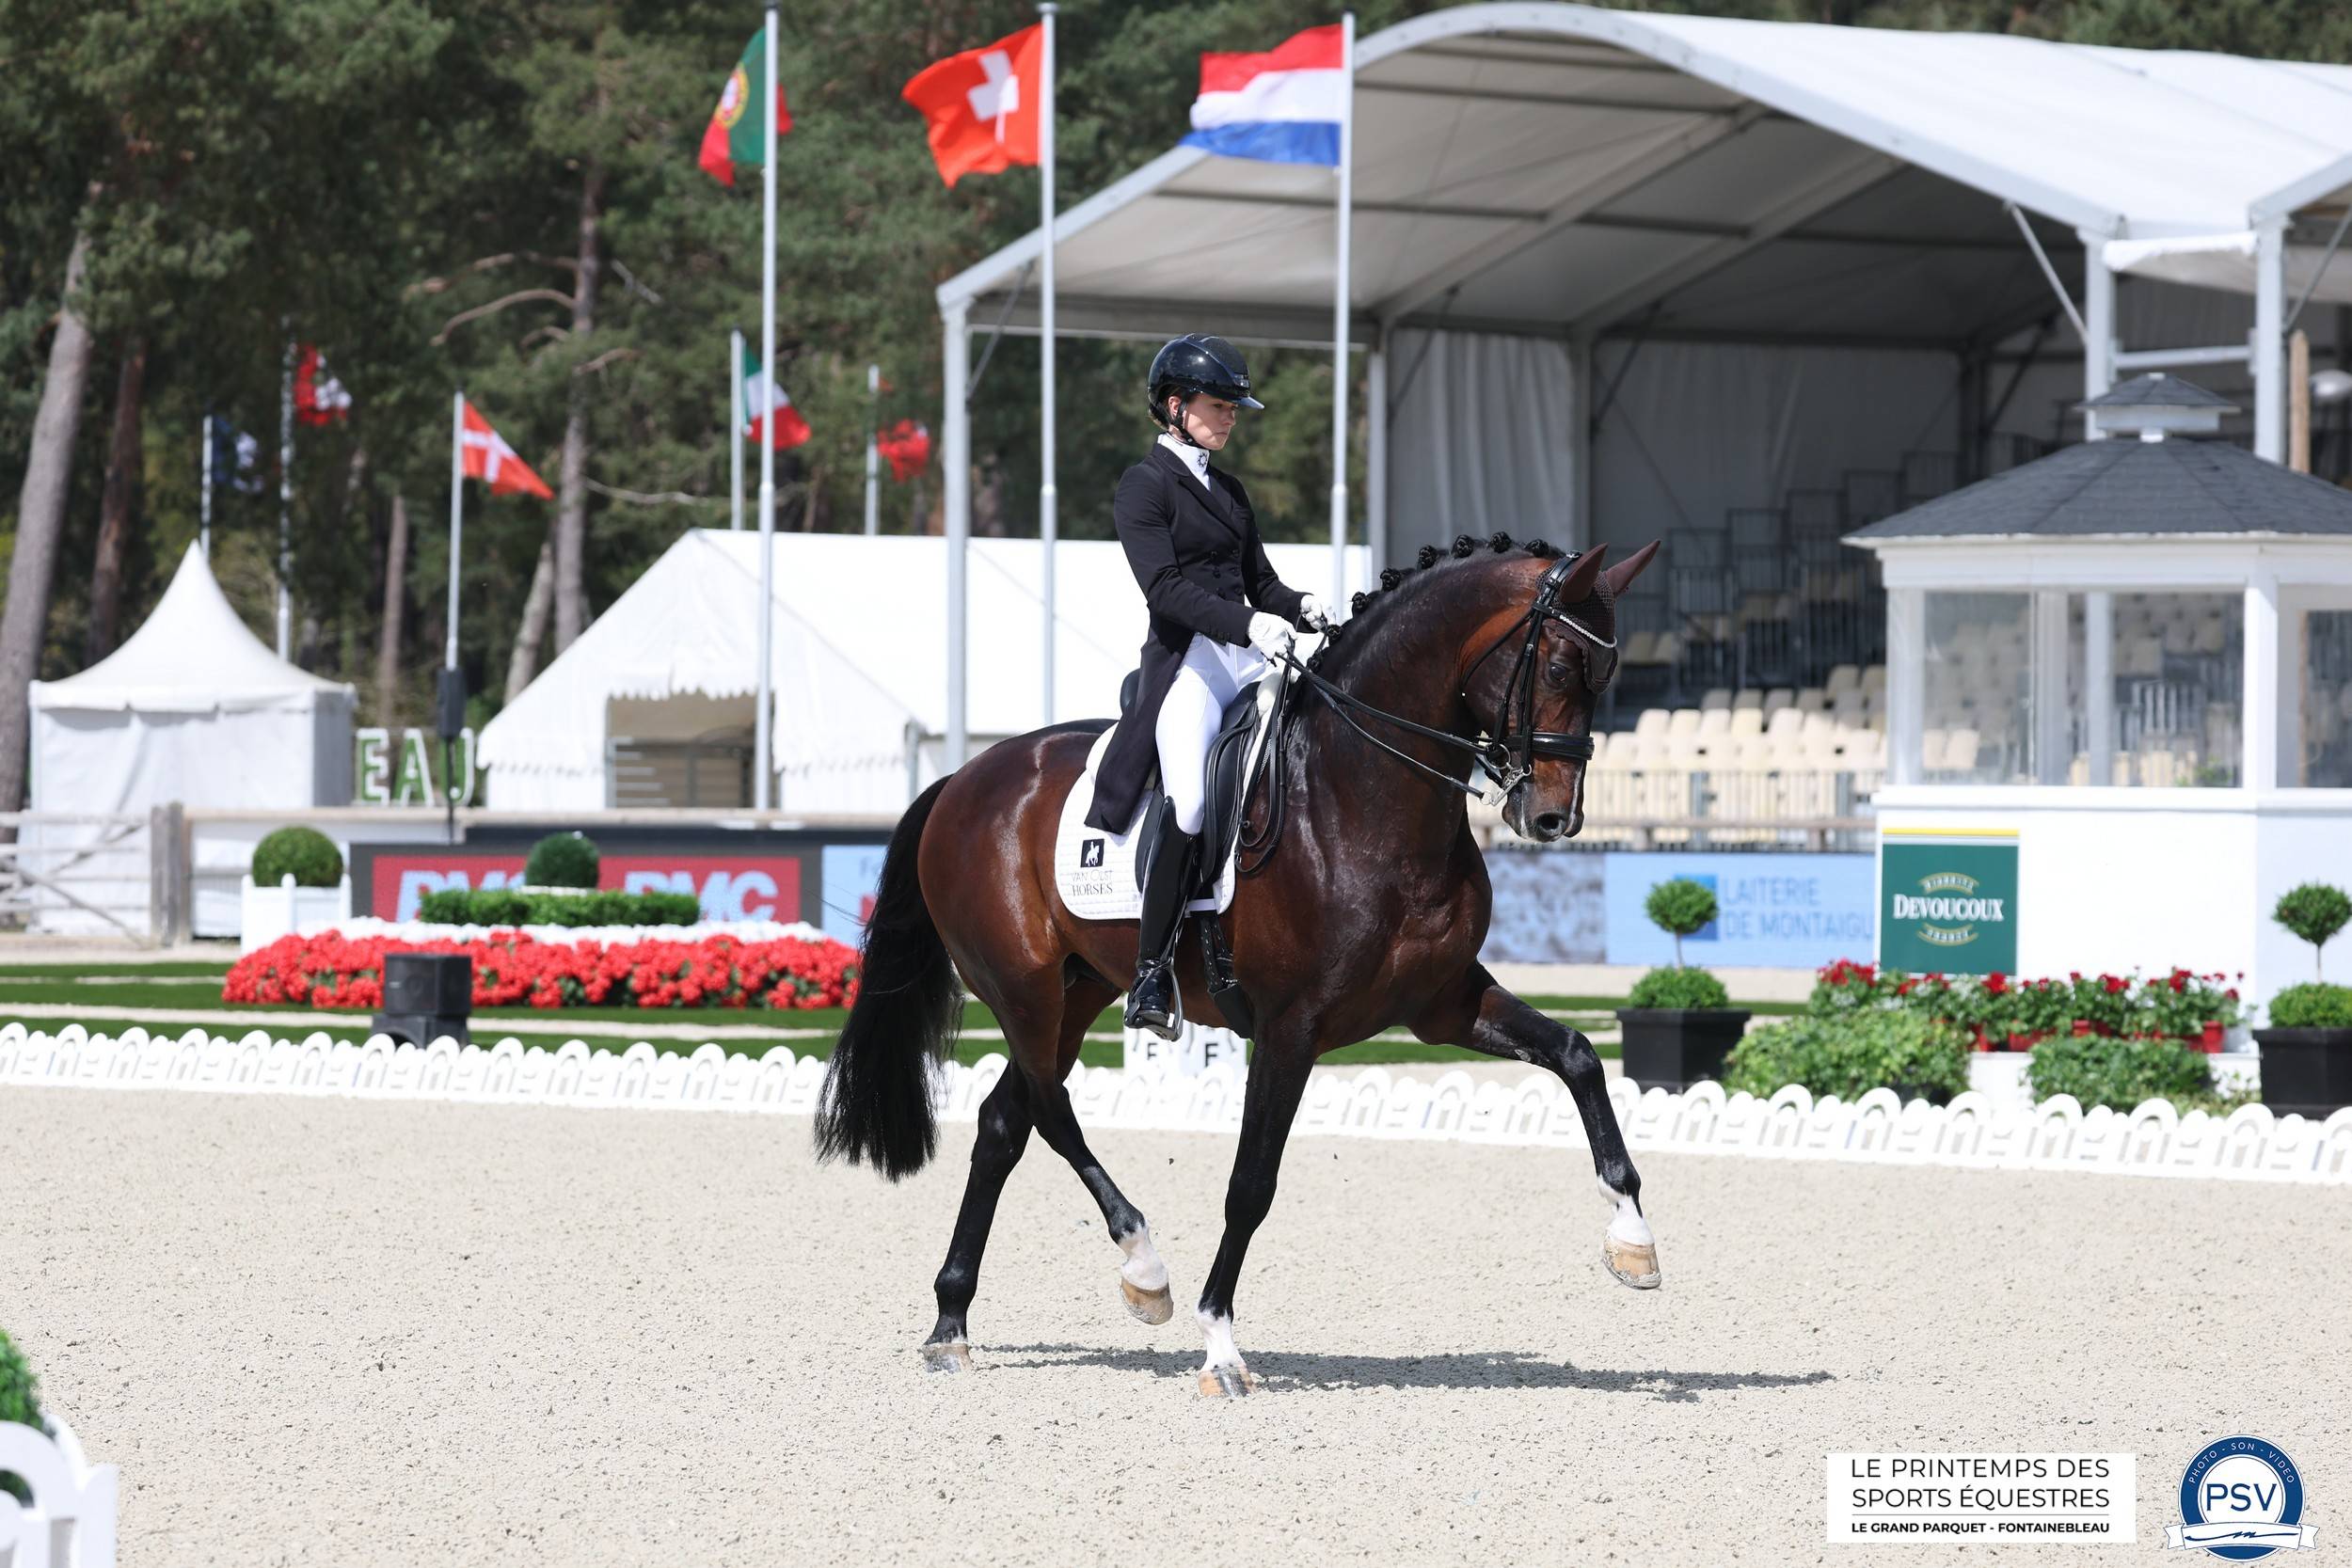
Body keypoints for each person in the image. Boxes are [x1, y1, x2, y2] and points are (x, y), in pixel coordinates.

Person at [1084, 334, 1329, 1038]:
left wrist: (1299, 605)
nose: (1229, 418)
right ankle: (1152, 971)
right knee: (1189, 798)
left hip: (1248, 653)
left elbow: (1262, 583)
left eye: (1233, 407)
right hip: (1189, 662)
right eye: (1219, 406)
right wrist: (1248, 624)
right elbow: (1164, 590)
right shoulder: (1143, 486)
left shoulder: (1230, 490)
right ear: (1174, 405)